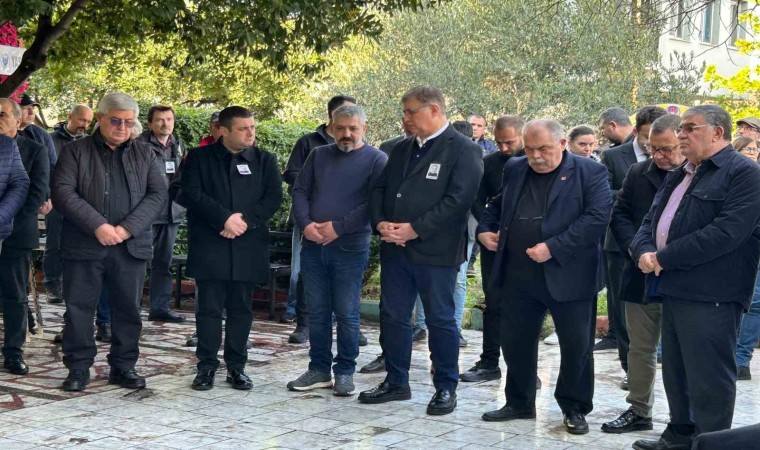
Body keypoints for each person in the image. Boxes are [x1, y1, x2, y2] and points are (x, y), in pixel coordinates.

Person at [631, 105, 760, 450]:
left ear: (717, 132)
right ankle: (679, 437)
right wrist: (643, 251)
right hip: (673, 286)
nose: (681, 135)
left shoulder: (744, 173)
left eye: (690, 128)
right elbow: (651, 220)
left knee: (709, 377)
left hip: (713, 292)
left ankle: (710, 443)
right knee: (676, 370)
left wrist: (662, 258)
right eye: (681, 129)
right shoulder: (682, 172)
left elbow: (726, 233)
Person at [478, 119, 611, 435]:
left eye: (544, 149)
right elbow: (497, 203)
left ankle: (574, 407)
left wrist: (553, 247)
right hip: (519, 272)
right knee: (516, 342)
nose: (536, 156)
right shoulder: (516, 167)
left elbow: (597, 218)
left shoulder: (590, 172)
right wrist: (484, 229)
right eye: (530, 149)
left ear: (563, 144)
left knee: (576, 346)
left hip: (570, 275)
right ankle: (519, 402)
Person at [359, 85, 483, 416]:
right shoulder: (401, 148)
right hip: (395, 249)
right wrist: (381, 223)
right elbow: (379, 189)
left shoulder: (464, 149)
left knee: (440, 320)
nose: (405, 119)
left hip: (436, 251)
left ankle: (445, 386)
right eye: (404, 112)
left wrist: (415, 229)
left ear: (434, 110)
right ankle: (396, 381)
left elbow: (459, 200)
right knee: (393, 315)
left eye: (410, 112)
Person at [52, 92, 167, 392]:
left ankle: (123, 366)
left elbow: (157, 195)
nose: (122, 128)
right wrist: (98, 225)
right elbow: (63, 192)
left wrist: (128, 228)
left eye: (129, 122)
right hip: (84, 245)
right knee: (79, 310)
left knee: (128, 309)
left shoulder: (145, 154)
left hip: (130, 246)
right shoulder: (75, 152)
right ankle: (78, 368)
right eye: (116, 121)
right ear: (101, 118)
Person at [286, 105, 387, 396]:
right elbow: (300, 191)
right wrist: (306, 225)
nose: (346, 134)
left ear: (364, 129)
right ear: (331, 127)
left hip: (349, 247)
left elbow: (373, 203)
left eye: (353, 128)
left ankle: (345, 371)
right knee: (317, 312)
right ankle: (319, 369)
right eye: (340, 128)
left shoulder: (377, 160)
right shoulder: (318, 155)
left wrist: (339, 228)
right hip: (313, 245)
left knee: (346, 312)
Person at [181, 106, 282, 391]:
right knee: (208, 309)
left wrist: (244, 221)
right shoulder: (199, 158)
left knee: (241, 310)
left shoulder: (264, 160)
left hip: (248, 244)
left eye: (253, 127)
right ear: (224, 131)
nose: (251, 133)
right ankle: (206, 367)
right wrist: (223, 219)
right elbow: (190, 193)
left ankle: (237, 367)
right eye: (243, 128)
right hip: (211, 242)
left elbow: (273, 198)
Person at [602, 113, 686, 434]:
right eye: (653, 149)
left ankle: (683, 419)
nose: (659, 156)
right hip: (641, 272)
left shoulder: (700, 175)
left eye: (667, 149)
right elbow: (620, 214)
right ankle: (639, 410)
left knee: (681, 352)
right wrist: (638, 251)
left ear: (684, 142)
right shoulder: (639, 172)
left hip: (682, 276)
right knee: (639, 348)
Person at [598, 106, 667, 394]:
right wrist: (635, 247)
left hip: (667, 255)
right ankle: (631, 372)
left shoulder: (687, 168)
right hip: (624, 248)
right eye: (650, 139)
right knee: (625, 314)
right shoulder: (618, 158)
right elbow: (608, 198)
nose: (655, 149)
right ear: (637, 131)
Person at [282, 95, 357, 344]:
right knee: (303, 273)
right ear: (331, 117)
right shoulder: (309, 143)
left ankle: (347, 326)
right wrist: (307, 219)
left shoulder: (366, 152)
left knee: (345, 276)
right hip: (310, 223)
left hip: (345, 228)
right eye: (343, 114)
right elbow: (292, 177)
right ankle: (303, 322)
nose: (347, 126)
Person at [460, 115, 525, 382]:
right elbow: (476, 200)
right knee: (494, 303)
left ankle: (525, 368)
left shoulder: (535, 161)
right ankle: (489, 362)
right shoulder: (489, 163)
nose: (504, 148)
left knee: (525, 307)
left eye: (509, 142)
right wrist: (483, 230)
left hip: (527, 247)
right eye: (499, 143)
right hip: (493, 242)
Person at [412, 119, 475, 347]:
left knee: (458, 281)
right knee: (424, 281)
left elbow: (467, 197)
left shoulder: (471, 154)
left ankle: (455, 328)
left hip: (461, 231)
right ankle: (421, 325)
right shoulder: (430, 154)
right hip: (426, 230)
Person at [0, 99, 40, 376]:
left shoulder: (30, 150)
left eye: (2, 115)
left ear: (17, 120)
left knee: (14, 295)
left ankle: (13, 351)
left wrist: (4, 218)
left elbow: (31, 190)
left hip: (15, 233)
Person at [136, 105, 187, 323]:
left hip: (172, 212)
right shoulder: (139, 144)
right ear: (150, 123)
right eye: (159, 119)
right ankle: (130, 307)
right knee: (137, 262)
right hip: (146, 213)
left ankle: (160, 308)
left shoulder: (179, 145)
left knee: (163, 263)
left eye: (169, 119)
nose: (165, 124)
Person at [45, 105, 94, 303]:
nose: (85, 125)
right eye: (82, 120)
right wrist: (48, 195)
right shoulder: (50, 139)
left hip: (81, 203)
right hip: (56, 201)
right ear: (70, 116)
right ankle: (52, 285)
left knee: (79, 245)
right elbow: (45, 170)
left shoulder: (89, 143)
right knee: (54, 244)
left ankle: (74, 286)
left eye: (88, 121)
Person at [18, 93, 57, 170]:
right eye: (25, 108)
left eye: (32, 108)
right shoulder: (5, 132)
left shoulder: (42, 134)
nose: (31, 112)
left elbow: (53, 165)